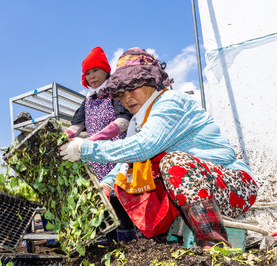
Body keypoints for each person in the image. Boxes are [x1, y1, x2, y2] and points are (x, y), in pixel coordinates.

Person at [59, 47, 258, 248]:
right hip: (199, 189)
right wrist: (107, 185)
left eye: (133, 88)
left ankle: (215, 247)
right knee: (134, 178)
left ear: (152, 81)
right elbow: (126, 161)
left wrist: (86, 149)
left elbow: (144, 146)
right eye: (121, 93)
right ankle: (166, 239)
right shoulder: (138, 120)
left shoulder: (170, 102)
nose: (127, 98)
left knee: (173, 163)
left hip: (234, 185)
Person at [65, 46, 133, 182]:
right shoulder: (88, 100)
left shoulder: (115, 93)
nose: (91, 76)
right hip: (95, 161)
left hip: (117, 157)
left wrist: (93, 139)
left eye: (95, 70)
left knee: (118, 196)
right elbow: (77, 126)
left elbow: (123, 122)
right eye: (87, 73)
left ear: (106, 71)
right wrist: (61, 137)